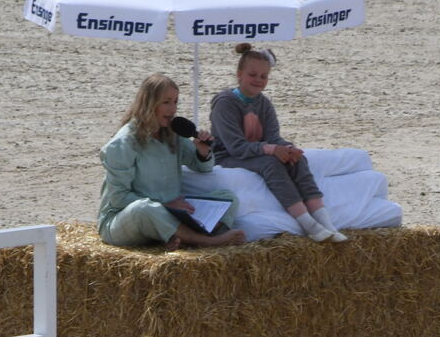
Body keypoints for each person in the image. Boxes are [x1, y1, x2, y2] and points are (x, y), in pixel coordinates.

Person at [209, 43, 346, 242]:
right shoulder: (225, 104)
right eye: (252, 75)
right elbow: (236, 147)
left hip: (257, 150)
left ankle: (326, 222)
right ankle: (308, 223)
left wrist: (288, 148)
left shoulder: (264, 103)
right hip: (228, 156)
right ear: (239, 74)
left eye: (263, 76)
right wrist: (272, 150)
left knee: (297, 160)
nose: (258, 80)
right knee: (271, 163)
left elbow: (273, 136)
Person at [99, 73, 246, 249]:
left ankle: (182, 237)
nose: (173, 109)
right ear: (149, 103)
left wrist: (203, 152)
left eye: (176, 102)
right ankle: (207, 241)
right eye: (166, 102)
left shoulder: (172, 133)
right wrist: (165, 205)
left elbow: (203, 168)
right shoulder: (123, 143)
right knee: (144, 209)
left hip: (172, 213)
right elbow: (118, 198)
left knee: (227, 198)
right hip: (122, 220)